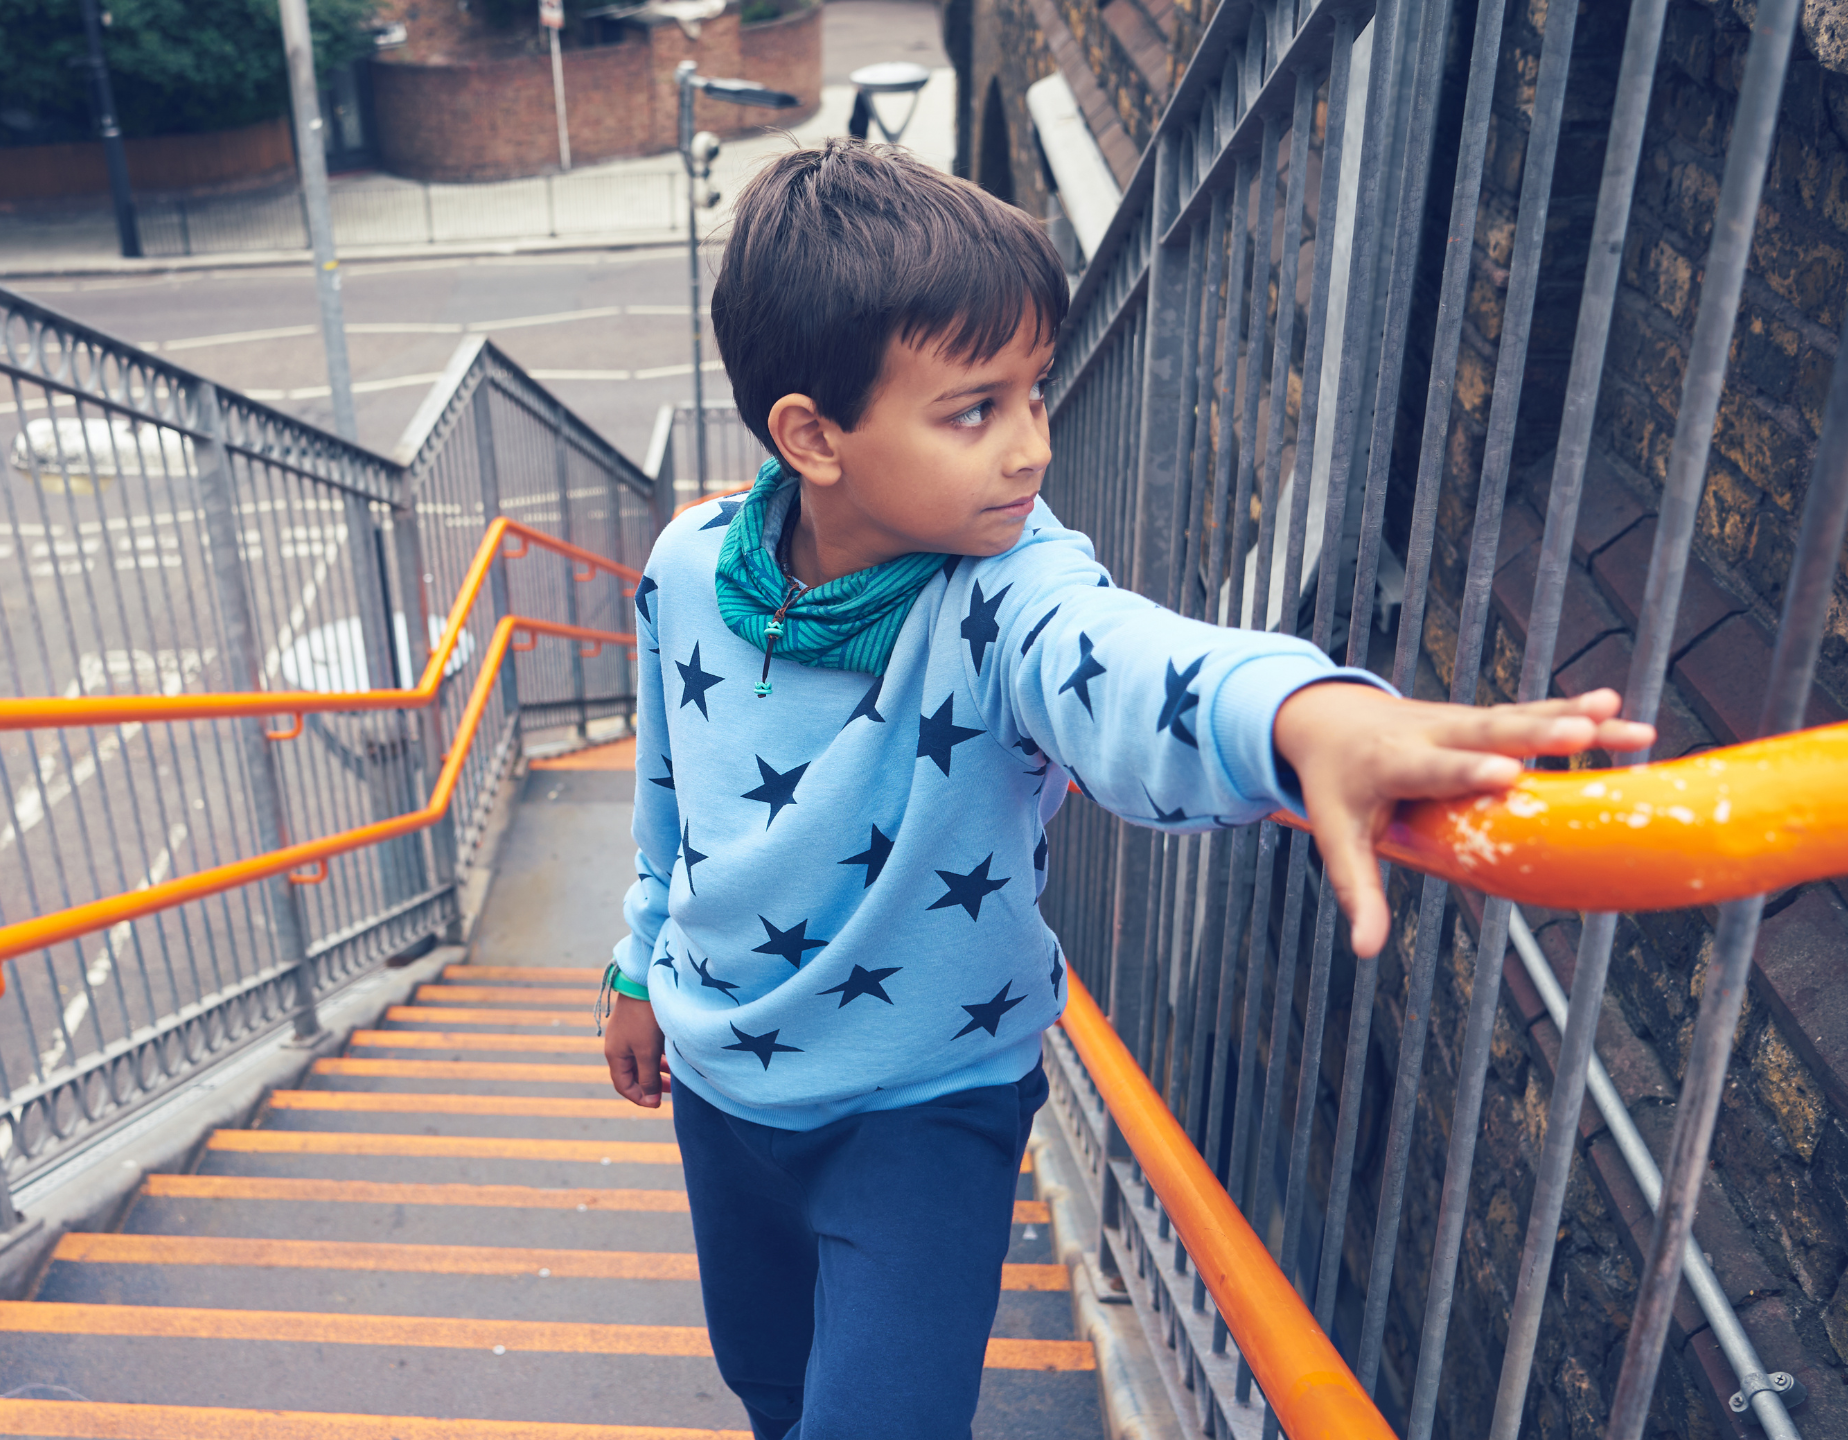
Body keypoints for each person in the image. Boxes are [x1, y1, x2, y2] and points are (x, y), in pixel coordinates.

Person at [599, 138, 1652, 1440]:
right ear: (812, 436)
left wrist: (1301, 716)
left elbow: (1121, 659)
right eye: (975, 410)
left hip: (923, 1109)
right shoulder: (688, 568)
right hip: (719, 1083)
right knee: (769, 1385)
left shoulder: (1006, 592)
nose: (1031, 449)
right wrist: (638, 966)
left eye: (1036, 393)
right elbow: (671, 795)